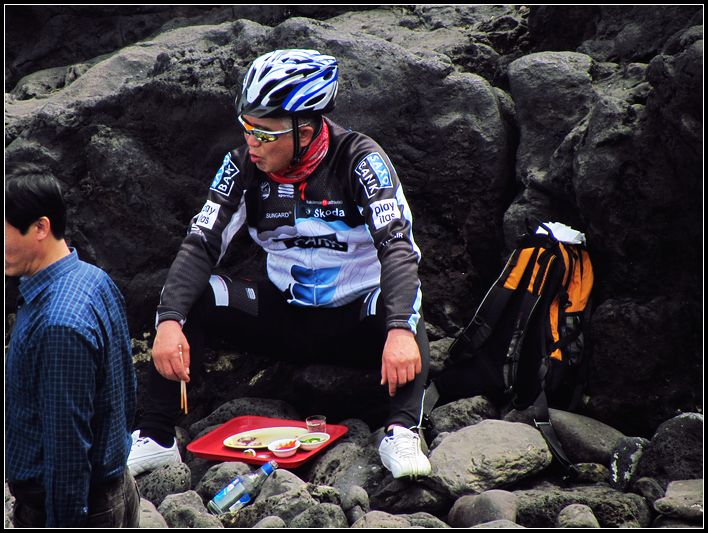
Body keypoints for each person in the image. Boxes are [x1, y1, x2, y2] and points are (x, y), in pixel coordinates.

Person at [128, 49, 432, 479]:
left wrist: (399, 331)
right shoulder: (242, 165)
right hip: (282, 317)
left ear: (304, 132)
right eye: (246, 127)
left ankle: (401, 430)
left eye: (264, 133)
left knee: (403, 309)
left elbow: (398, 248)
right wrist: (169, 323)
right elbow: (200, 244)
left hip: (355, 320)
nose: (251, 142)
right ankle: (155, 436)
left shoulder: (360, 160)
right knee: (190, 297)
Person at [5, 171, 140, 527]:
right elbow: (128, 391)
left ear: (40, 227)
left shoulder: (59, 325)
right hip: (113, 488)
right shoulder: (94, 278)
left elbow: (68, 454)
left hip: (77, 508)